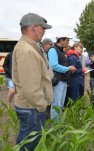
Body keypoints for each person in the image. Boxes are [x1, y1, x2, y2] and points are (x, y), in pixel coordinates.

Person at [12, 13, 53, 150]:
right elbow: (31, 87)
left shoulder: (28, 47)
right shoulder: (27, 50)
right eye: (43, 28)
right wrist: (41, 105)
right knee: (28, 145)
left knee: (27, 142)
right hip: (32, 108)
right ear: (33, 28)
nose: (44, 31)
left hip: (31, 107)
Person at [48, 36, 76, 120]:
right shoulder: (53, 50)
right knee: (56, 104)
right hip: (57, 81)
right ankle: (55, 127)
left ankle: (58, 125)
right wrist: (68, 68)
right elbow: (54, 65)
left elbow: (63, 65)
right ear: (61, 40)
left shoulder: (62, 51)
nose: (68, 43)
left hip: (63, 80)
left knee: (60, 105)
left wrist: (70, 68)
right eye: (67, 40)